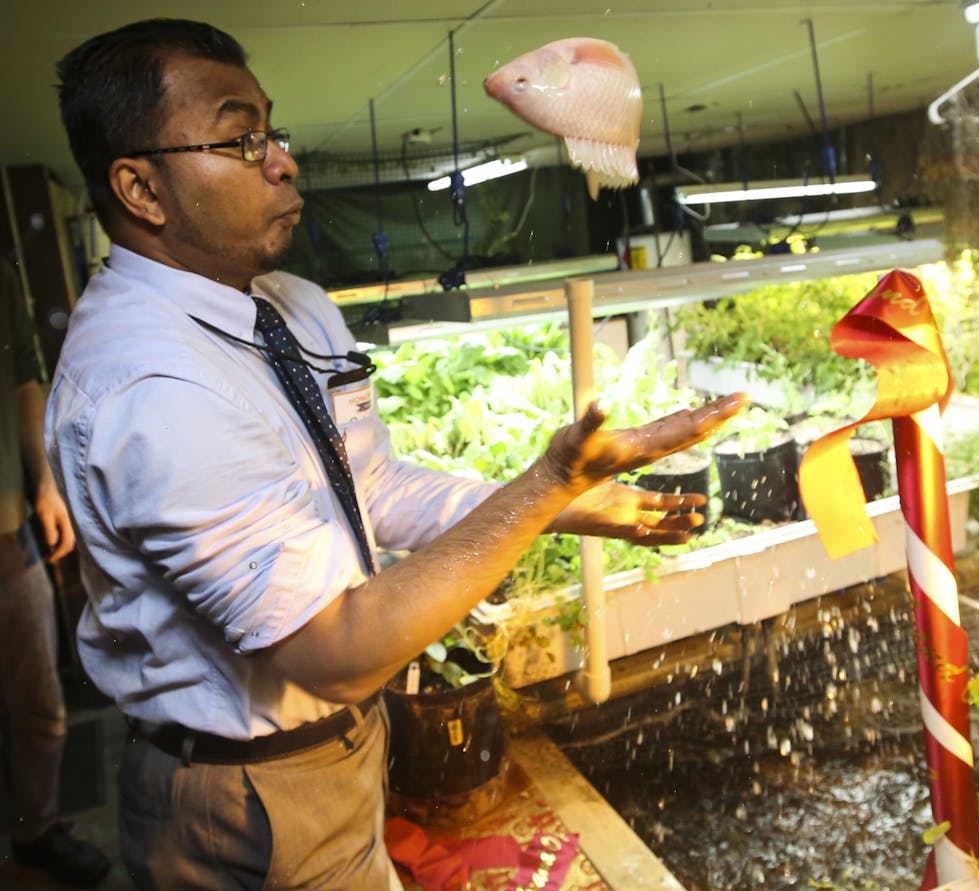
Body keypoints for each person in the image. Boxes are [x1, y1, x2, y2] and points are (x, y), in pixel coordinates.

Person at [48, 18, 744, 890]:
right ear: (140, 189)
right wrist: (543, 485)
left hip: (339, 749)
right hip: (247, 790)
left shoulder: (287, 305)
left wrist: (562, 506)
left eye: (274, 129)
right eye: (241, 137)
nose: (284, 160)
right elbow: (333, 650)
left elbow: (368, 485)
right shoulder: (149, 385)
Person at [1, 260, 110, 886]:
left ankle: (34, 831)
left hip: (6, 537)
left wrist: (45, 486)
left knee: (39, 704)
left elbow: (23, 382)